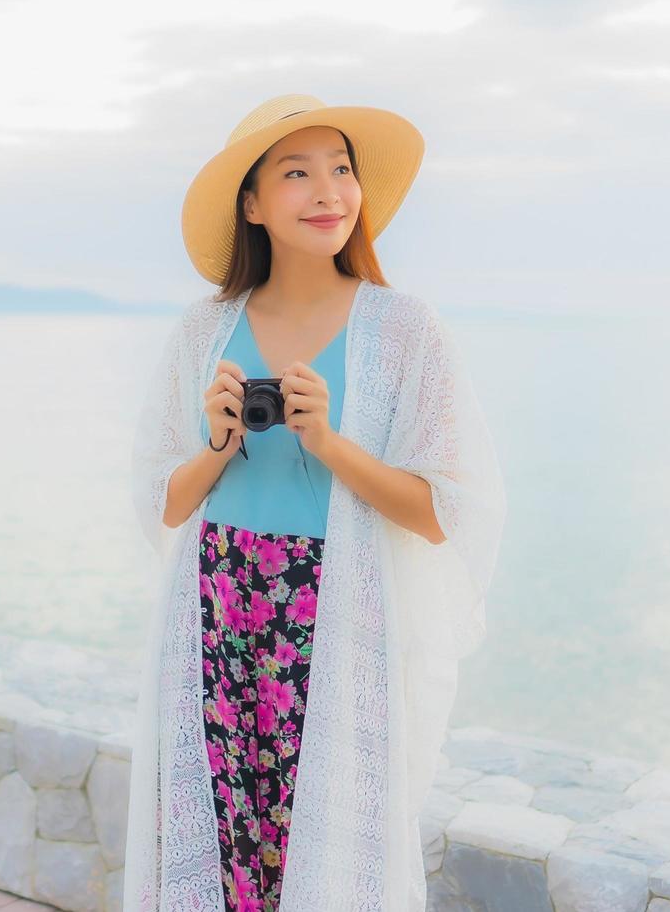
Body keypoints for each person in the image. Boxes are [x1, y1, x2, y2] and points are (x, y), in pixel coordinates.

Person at [125, 94, 508, 911]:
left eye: (341, 169)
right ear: (254, 204)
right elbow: (162, 503)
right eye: (296, 173)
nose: (328, 189)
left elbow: (447, 511)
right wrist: (219, 444)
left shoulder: (406, 329)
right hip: (218, 610)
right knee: (227, 848)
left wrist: (330, 442)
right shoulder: (204, 331)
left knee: (329, 857)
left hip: (338, 615)